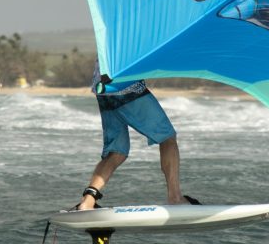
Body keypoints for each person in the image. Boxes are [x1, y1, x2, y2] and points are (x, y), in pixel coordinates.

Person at [75, 62, 199, 210]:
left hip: (103, 87)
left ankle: (87, 202)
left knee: (116, 152)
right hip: (126, 84)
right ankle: (175, 197)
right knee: (167, 138)